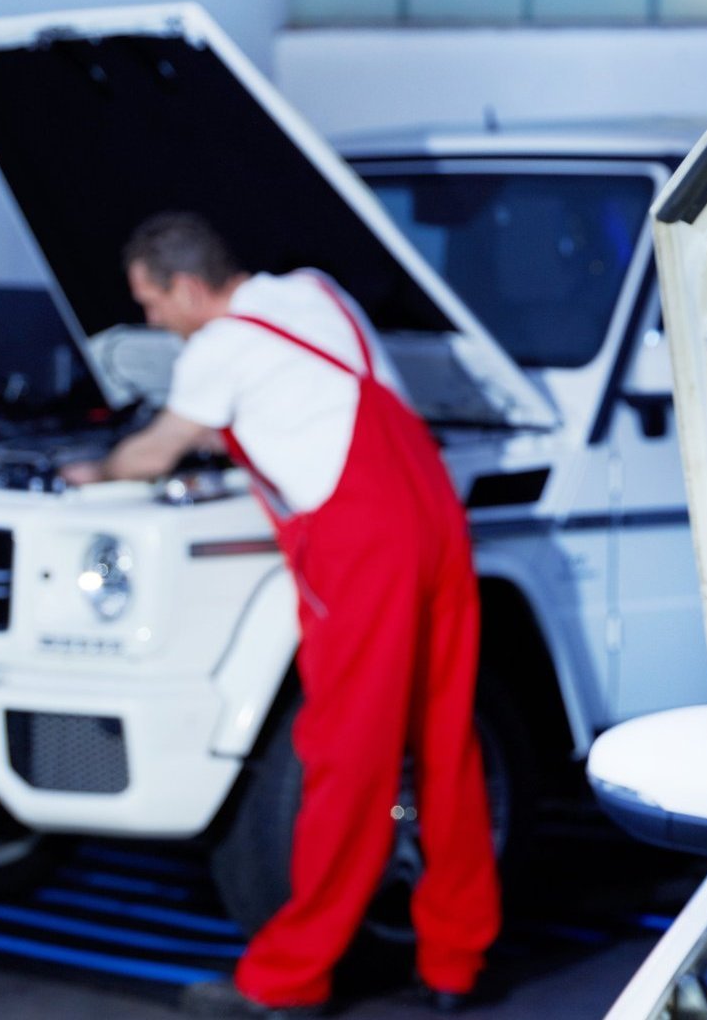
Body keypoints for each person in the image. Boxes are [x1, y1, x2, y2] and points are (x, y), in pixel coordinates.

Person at [60, 212, 498, 1017]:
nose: (153, 319)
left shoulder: (216, 350)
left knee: (346, 758)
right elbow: (303, 402)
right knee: (445, 743)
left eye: (151, 302)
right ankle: (455, 959)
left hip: (362, 546)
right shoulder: (312, 292)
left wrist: (94, 471)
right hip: (436, 519)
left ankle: (289, 980)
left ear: (186, 288)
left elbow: (155, 452)